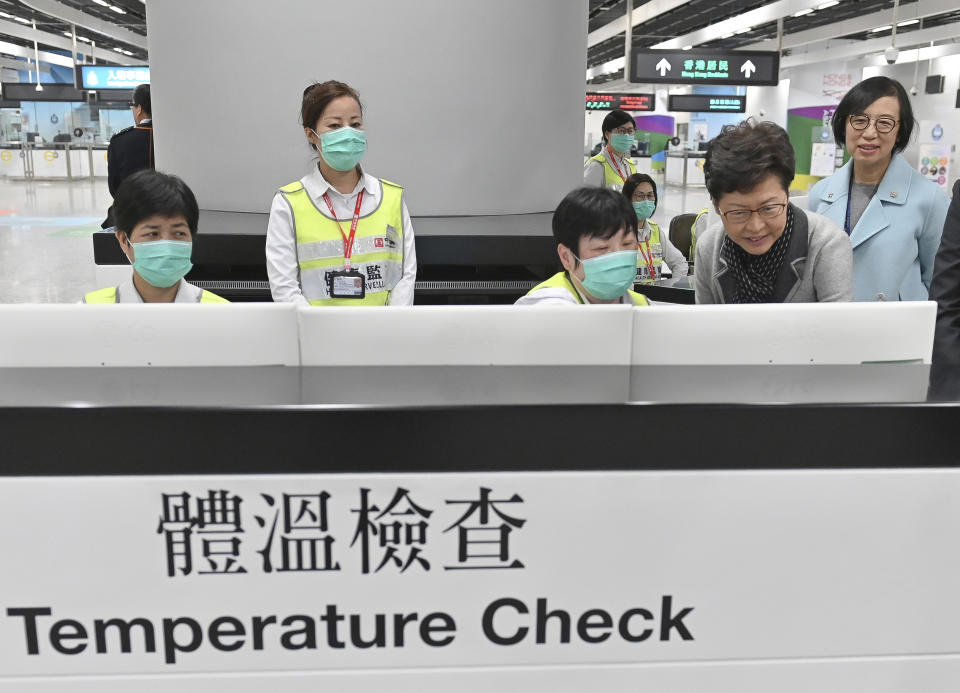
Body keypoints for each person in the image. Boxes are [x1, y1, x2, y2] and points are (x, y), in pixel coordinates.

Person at [266, 80, 416, 306]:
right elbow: (285, 289)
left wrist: (388, 332)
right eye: (335, 126)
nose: (347, 133)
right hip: (315, 337)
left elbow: (405, 277)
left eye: (355, 124)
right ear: (310, 134)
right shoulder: (288, 203)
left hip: (382, 335)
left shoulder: (391, 197)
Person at [809, 76, 948, 301]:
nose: (870, 133)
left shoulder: (930, 199)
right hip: (833, 325)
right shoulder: (821, 194)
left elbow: (941, 282)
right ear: (844, 124)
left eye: (884, 122)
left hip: (898, 329)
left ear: (900, 131)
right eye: (860, 120)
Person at [695, 120, 853, 304]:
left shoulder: (826, 245)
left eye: (769, 208)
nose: (756, 227)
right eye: (738, 212)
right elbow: (706, 326)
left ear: (786, 194)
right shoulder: (709, 248)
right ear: (716, 205)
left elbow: (836, 329)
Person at [83, 170, 227, 304]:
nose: (167, 246)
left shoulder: (222, 313)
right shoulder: (90, 310)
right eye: (152, 234)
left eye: (179, 233)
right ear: (123, 240)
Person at [516, 187, 650, 306]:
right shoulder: (546, 308)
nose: (618, 256)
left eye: (627, 244)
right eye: (601, 248)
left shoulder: (643, 307)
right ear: (566, 257)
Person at [102, 83, 153, 229]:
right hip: (169, 209)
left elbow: (114, 187)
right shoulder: (171, 137)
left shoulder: (121, 141)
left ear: (139, 109)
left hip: (131, 214)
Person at [621, 173, 687, 282]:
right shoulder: (616, 232)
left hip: (654, 297)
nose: (646, 201)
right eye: (640, 196)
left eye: (650, 195)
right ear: (627, 199)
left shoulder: (655, 230)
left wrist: (673, 287)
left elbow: (680, 263)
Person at [583, 110, 637, 191]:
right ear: (607, 134)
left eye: (630, 131)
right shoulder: (596, 165)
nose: (626, 135)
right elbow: (587, 201)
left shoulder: (630, 166)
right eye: (621, 131)